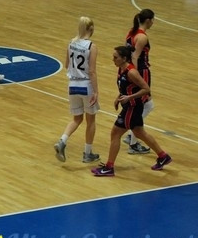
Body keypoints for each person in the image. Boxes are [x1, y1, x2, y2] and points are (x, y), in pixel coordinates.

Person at [91, 45, 172, 177]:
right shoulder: (121, 69)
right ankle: (163, 156)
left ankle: (109, 167)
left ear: (124, 58)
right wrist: (118, 97)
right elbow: (126, 87)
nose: (113, 59)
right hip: (130, 106)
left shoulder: (131, 72)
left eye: (115, 57)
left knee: (115, 134)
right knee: (140, 133)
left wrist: (130, 97)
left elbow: (146, 89)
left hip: (133, 107)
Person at [54, 17, 101, 164]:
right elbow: (92, 71)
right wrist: (96, 91)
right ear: (91, 29)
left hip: (72, 85)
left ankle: (62, 141)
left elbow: (67, 64)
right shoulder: (91, 46)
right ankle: (87, 153)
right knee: (91, 120)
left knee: (77, 118)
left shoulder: (71, 43)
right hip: (86, 84)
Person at [123, 9, 156, 155]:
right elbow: (135, 57)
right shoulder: (142, 37)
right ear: (148, 20)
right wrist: (135, 76)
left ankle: (131, 135)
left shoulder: (131, 32)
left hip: (131, 69)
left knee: (147, 104)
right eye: (153, 19)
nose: (153, 22)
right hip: (140, 71)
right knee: (145, 106)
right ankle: (133, 141)